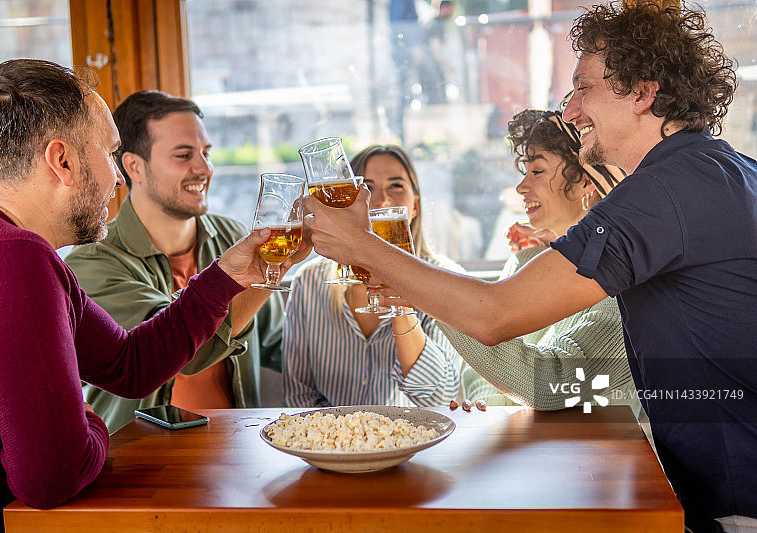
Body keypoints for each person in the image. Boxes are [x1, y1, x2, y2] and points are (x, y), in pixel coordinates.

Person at [303, 3, 757, 531]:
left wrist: (359, 245)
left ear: (642, 92)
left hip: (735, 501)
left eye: (584, 88)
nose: (570, 111)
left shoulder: (662, 190)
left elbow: (497, 315)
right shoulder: (721, 169)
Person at [0, 59, 307, 533]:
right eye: (109, 152)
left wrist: (228, 273)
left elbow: (130, 364)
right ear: (62, 161)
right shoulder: (13, 260)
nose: (118, 177)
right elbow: (51, 476)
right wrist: (91, 428)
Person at [65, 90, 284, 434]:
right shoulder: (92, 264)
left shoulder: (234, 236)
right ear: (134, 166)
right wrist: (265, 273)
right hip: (142, 465)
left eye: (206, 153)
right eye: (184, 155)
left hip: (241, 453)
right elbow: (186, 354)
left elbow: (282, 344)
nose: (204, 168)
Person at [451, 109, 638, 418]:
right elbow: (487, 370)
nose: (521, 188)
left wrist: (428, 293)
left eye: (536, 172)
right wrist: (493, 410)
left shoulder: (618, 286)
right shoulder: (530, 258)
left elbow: (546, 382)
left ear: (587, 183)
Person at [283, 144, 462, 407]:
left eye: (396, 186)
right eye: (365, 188)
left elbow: (439, 398)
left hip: (412, 442)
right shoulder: (309, 281)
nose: (380, 200)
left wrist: (401, 300)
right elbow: (298, 395)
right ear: (346, 203)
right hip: (331, 445)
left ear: (415, 206)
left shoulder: (446, 279)